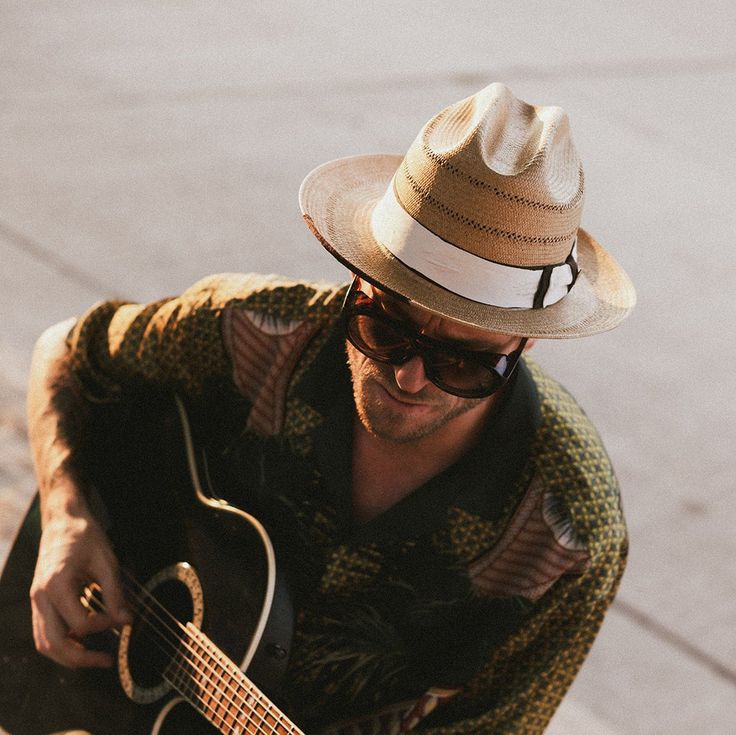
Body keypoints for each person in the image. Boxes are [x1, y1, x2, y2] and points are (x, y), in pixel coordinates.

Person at [25, 82, 635, 734]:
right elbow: (67, 350)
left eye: (463, 361)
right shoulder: (252, 330)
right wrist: (66, 514)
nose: (407, 375)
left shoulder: (569, 533)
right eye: (385, 325)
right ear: (358, 275)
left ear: (525, 340)